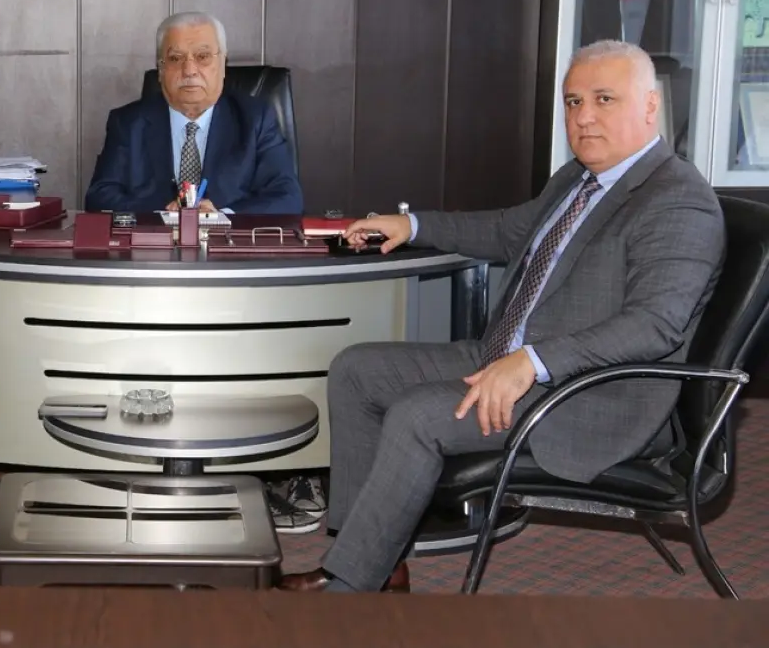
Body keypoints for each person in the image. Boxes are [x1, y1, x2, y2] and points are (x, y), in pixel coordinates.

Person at [280, 39, 725, 593]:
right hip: (508, 359)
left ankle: (349, 586)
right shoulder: (578, 178)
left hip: (587, 396)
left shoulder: (678, 200)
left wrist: (532, 362)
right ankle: (373, 559)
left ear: (650, 105)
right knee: (357, 371)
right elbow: (505, 230)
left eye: (604, 99)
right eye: (573, 101)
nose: (583, 117)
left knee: (418, 417)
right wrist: (411, 225)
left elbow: (654, 325)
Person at [84, 11, 304, 215]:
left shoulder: (256, 119)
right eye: (175, 58)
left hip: (228, 242)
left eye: (203, 56)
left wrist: (221, 217)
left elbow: (287, 198)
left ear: (223, 64)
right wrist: (165, 215)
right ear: (160, 70)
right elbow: (99, 198)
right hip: (155, 243)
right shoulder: (128, 123)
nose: (189, 70)